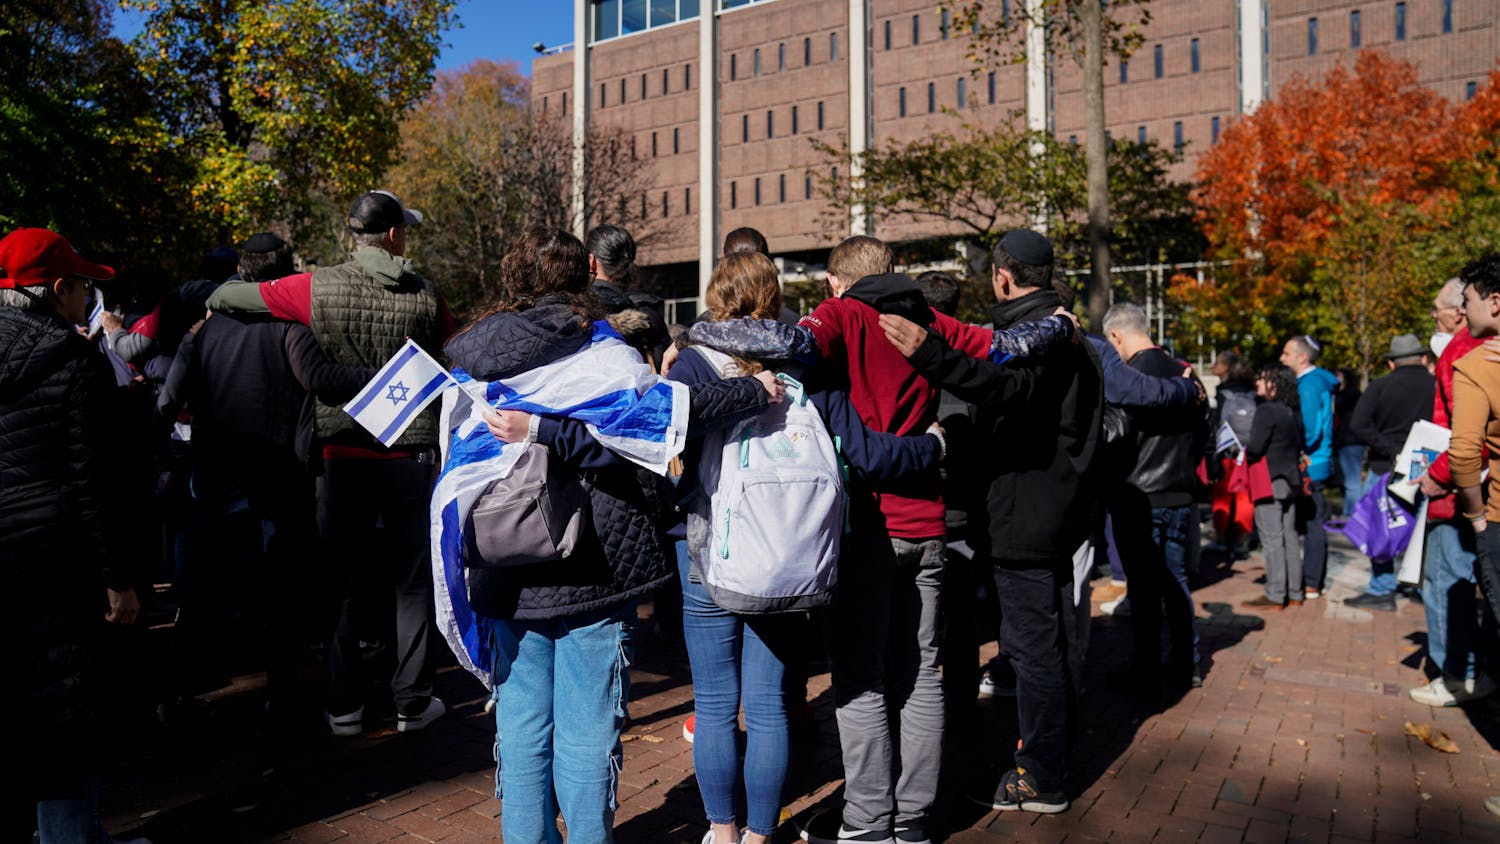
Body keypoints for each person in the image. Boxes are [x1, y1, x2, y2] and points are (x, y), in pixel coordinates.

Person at [442, 226, 779, 843]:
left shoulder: (471, 357)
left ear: (513, 279)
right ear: (583, 277)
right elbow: (661, 423)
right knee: (588, 732)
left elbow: (458, 462)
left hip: (501, 562)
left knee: (519, 732)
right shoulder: (602, 353)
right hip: (594, 567)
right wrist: (754, 390)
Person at [670, 252, 946, 844]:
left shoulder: (693, 361)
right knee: (769, 702)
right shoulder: (804, 363)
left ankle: (721, 830)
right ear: (774, 299)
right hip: (788, 553)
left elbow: (674, 452)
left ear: (717, 295)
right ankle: (762, 832)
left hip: (708, 551)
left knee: (716, 703)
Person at [207, 190, 454, 735]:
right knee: (410, 582)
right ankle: (412, 700)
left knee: (339, 579)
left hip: (340, 456)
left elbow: (231, 301)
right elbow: (455, 351)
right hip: (409, 453)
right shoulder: (428, 295)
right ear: (392, 235)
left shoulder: (313, 287)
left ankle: (345, 705)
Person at [880, 229, 1103, 815]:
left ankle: (1042, 775)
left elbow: (1002, 386)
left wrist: (926, 351)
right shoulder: (1054, 325)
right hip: (1044, 510)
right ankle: (1047, 759)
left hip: (1025, 514)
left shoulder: (1042, 337)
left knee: (1032, 648)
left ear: (1002, 277)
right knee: (1045, 644)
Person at [158, 233, 374, 715]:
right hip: (278, 474)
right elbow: (318, 379)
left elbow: (171, 397)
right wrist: (377, 375)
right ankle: (280, 689)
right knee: (282, 585)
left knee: (201, 586)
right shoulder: (286, 324)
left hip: (216, 473)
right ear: (284, 272)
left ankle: (180, 689)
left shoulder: (208, 330)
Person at [0, 228, 148, 844]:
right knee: (62, 719)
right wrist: (119, 580)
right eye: (82, 283)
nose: (87, 294)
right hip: (54, 566)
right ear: (58, 288)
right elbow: (95, 483)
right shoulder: (71, 359)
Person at [1102, 302, 1209, 691]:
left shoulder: (1128, 380)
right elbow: (1203, 435)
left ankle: (1147, 671)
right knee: (1176, 583)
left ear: (1116, 335)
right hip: (1179, 492)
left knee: (1144, 592)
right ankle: (1186, 663)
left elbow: (1114, 438)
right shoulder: (1186, 375)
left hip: (1138, 497)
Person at [1411, 278, 1492, 706]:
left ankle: (1456, 673)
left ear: (1460, 310)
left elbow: (1465, 431)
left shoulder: (1462, 352)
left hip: (1457, 489)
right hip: (1476, 485)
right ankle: (1475, 670)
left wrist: (1438, 474)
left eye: (1438, 308)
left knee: (1446, 580)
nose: (1435, 316)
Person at [1447, 254, 1500, 819]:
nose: (1463, 311)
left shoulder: (1478, 364)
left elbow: (1465, 453)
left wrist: (1478, 517)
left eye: (1469, 300)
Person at [1343, 334, 1436, 610]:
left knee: (1381, 525)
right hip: (1426, 463)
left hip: (1387, 464)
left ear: (1392, 363)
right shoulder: (1436, 384)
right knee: (1423, 530)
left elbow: (1359, 424)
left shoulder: (1381, 385)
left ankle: (1382, 588)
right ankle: (1420, 585)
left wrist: (1389, 449)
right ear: (1422, 358)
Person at [1241, 364, 1307, 611]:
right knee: (1289, 537)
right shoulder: (1290, 411)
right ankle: (1295, 592)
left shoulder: (1267, 411)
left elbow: (1256, 447)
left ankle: (1276, 593)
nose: (1258, 383)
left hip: (1269, 481)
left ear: (1274, 384)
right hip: (1290, 481)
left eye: (1262, 379)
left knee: (1272, 538)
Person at [1280, 334, 1339, 599]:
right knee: (1313, 520)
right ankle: (1314, 578)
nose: (1282, 359)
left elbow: (1312, 427)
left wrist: (1298, 448)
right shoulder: (1317, 382)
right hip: (1318, 459)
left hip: (1311, 462)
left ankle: (1312, 580)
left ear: (1302, 358)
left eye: (1287, 354)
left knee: (1312, 522)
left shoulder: (1309, 385)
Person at [1209, 352, 1258, 553]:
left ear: (1226, 367)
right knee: (1244, 496)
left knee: (1222, 495)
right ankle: (1241, 538)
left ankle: (1221, 538)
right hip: (1247, 453)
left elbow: (1215, 424)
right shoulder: (1253, 393)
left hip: (1226, 450)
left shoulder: (1223, 394)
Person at [1333, 368, 1370, 518]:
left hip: (1350, 440)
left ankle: (1353, 513)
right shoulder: (1353, 395)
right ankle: (1353, 511)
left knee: (1352, 481)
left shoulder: (1349, 396)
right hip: (1351, 440)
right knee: (1351, 479)